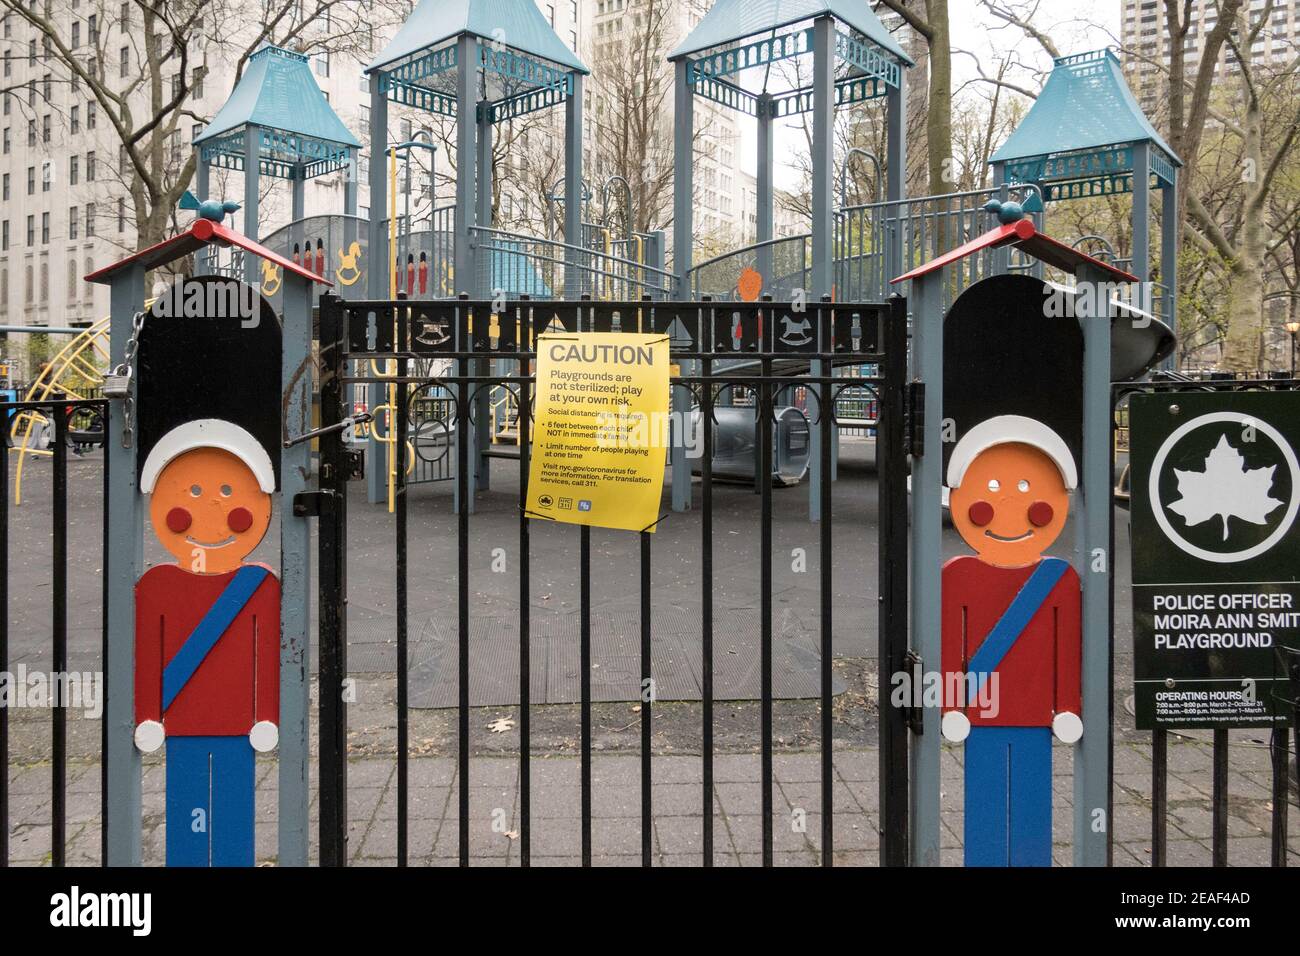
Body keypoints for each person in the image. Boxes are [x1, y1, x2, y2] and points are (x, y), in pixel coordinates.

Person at [133, 420, 280, 867]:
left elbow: (269, 655)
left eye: (227, 494)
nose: (212, 513)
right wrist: (147, 716)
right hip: (182, 723)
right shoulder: (157, 584)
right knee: (188, 813)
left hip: (238, 721)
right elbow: (147, 654)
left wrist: (265, 716)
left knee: (234, 817)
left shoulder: (260, 586)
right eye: (191, 493)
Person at [940, 415, 1082, 867]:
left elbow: (1067, 650)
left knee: (1031, 811)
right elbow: (948, 648)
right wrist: (951, 706)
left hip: (1037, 713)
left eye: (1026, 490)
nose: (1009, 508)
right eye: (994, 489)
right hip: (981, 714)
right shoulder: (958, 576)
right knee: (983, 809)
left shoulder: (1060, 579)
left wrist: (1067, 708)